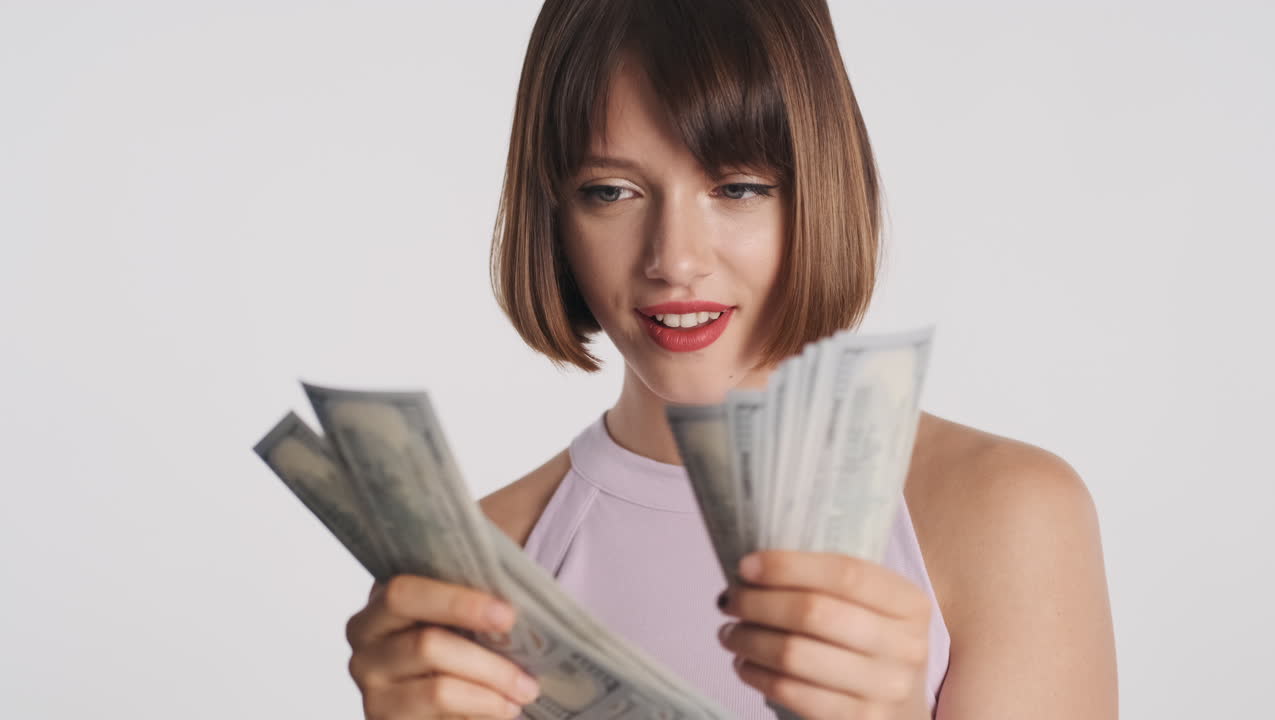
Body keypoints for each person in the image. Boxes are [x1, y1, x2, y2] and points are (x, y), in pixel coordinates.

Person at [342, 1, 1118, 718]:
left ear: (817, 190)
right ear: (554, 214)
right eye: (611, 192)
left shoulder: (1004, 516)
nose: (674, 260)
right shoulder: (479, 571)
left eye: (739, 187)